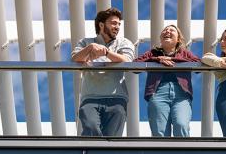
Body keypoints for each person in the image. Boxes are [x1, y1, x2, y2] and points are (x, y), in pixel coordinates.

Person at [71, 7, 135, 136]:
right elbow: (75, 59)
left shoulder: (124, 42)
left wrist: (106, 52)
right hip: (90, 97)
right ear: (101, 24)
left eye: (119, 24)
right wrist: (90, 48)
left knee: (112, 140)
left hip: (117, 98)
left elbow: (127, 61)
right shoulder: (86, 42)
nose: (117, 27)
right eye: (113, 23)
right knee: (90, 128)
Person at [135, 25, 199, 137]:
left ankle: (184, 153)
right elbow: (135, 65)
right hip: (158, 93)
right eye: (165, 30)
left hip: (181, 94)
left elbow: (198, 65)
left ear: (178, 39)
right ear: (160, 38)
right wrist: (157, 59)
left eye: (171, 30)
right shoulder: (153, 53)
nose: (167, 31)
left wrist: (172, 59)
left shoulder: (184, 53)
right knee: (160, 131)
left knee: (181, 125)